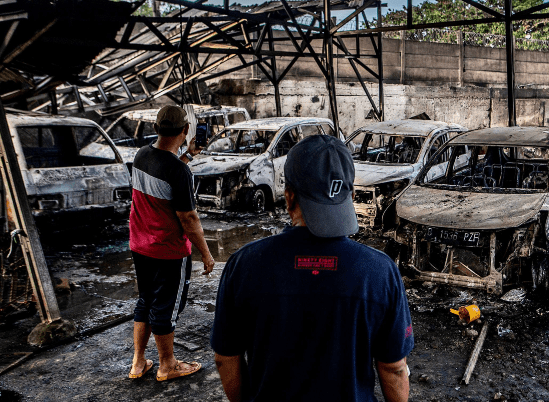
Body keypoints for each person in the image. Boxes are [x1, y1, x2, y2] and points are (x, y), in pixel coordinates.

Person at [211, 135, 414, 402]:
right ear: (350, 196)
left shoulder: (244, 264)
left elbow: (226, 358)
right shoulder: (380, 271)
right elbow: (394, 368)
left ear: (288, 197)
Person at [128, 105, 215, 381]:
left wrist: (187, 155)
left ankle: (138, 363)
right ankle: (167, 365)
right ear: (185, 130)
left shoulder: (142, 155)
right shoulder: (178, 171)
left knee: (146, 300)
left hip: (140, 244)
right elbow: (189, 218)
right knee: (166, 307)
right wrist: (206, 254)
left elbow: (165, 178)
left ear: (155, 128)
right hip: (167, 250)